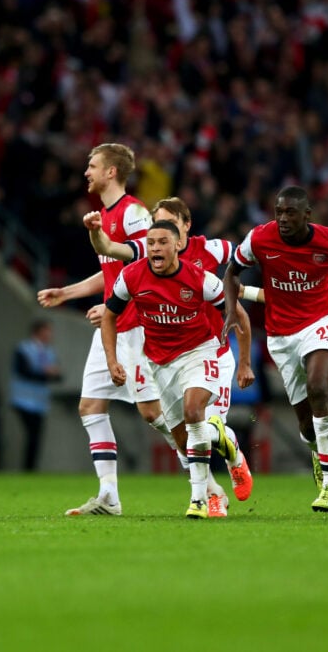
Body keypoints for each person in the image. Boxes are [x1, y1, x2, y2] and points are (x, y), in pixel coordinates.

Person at [222, 185, 328, 513]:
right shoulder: (259, 239)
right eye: (278, 212)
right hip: (281, 332)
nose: (283, 219)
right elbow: (232, 271)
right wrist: (231, 309)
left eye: (290, 213)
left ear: (307, 215)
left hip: (324, 317)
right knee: (307, 426)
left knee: (318, 389)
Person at [86, 196, 257, 517]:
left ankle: (202, 498)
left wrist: (245, 359)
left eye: (166, 234)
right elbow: (109, 251)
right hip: (161, 359)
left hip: (209, 351)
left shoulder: (209, 255)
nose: (156, 243)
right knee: (182, 432)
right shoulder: (141, 263)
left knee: (198, 417)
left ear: (183, 233)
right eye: (152, 235)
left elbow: (248, 256)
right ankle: (222, 470)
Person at [37, 142, 170, 516]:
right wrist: (68, 292)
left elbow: (150, 264)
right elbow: (112, 268)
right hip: (113, 327)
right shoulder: (103, 216)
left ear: (111, 172)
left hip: (140, 327)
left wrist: (115, 305)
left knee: (153, 414)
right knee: (90, 405)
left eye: (92, 165)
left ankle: (208, 480)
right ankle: (109, 495)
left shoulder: (134, 213)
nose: (86, 172)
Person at [10, 318, 61, 471]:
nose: (50, 334)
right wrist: (45, 374)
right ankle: (28, 468)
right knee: (32, 434)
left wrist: (53, 374)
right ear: (38, 332)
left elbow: (58, 375)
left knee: (36, 436)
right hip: (23, 399)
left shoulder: (49, 351)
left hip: (39, 401)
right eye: (47, 331)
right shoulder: (23, 349)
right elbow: (23, 371)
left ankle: (30, 468)